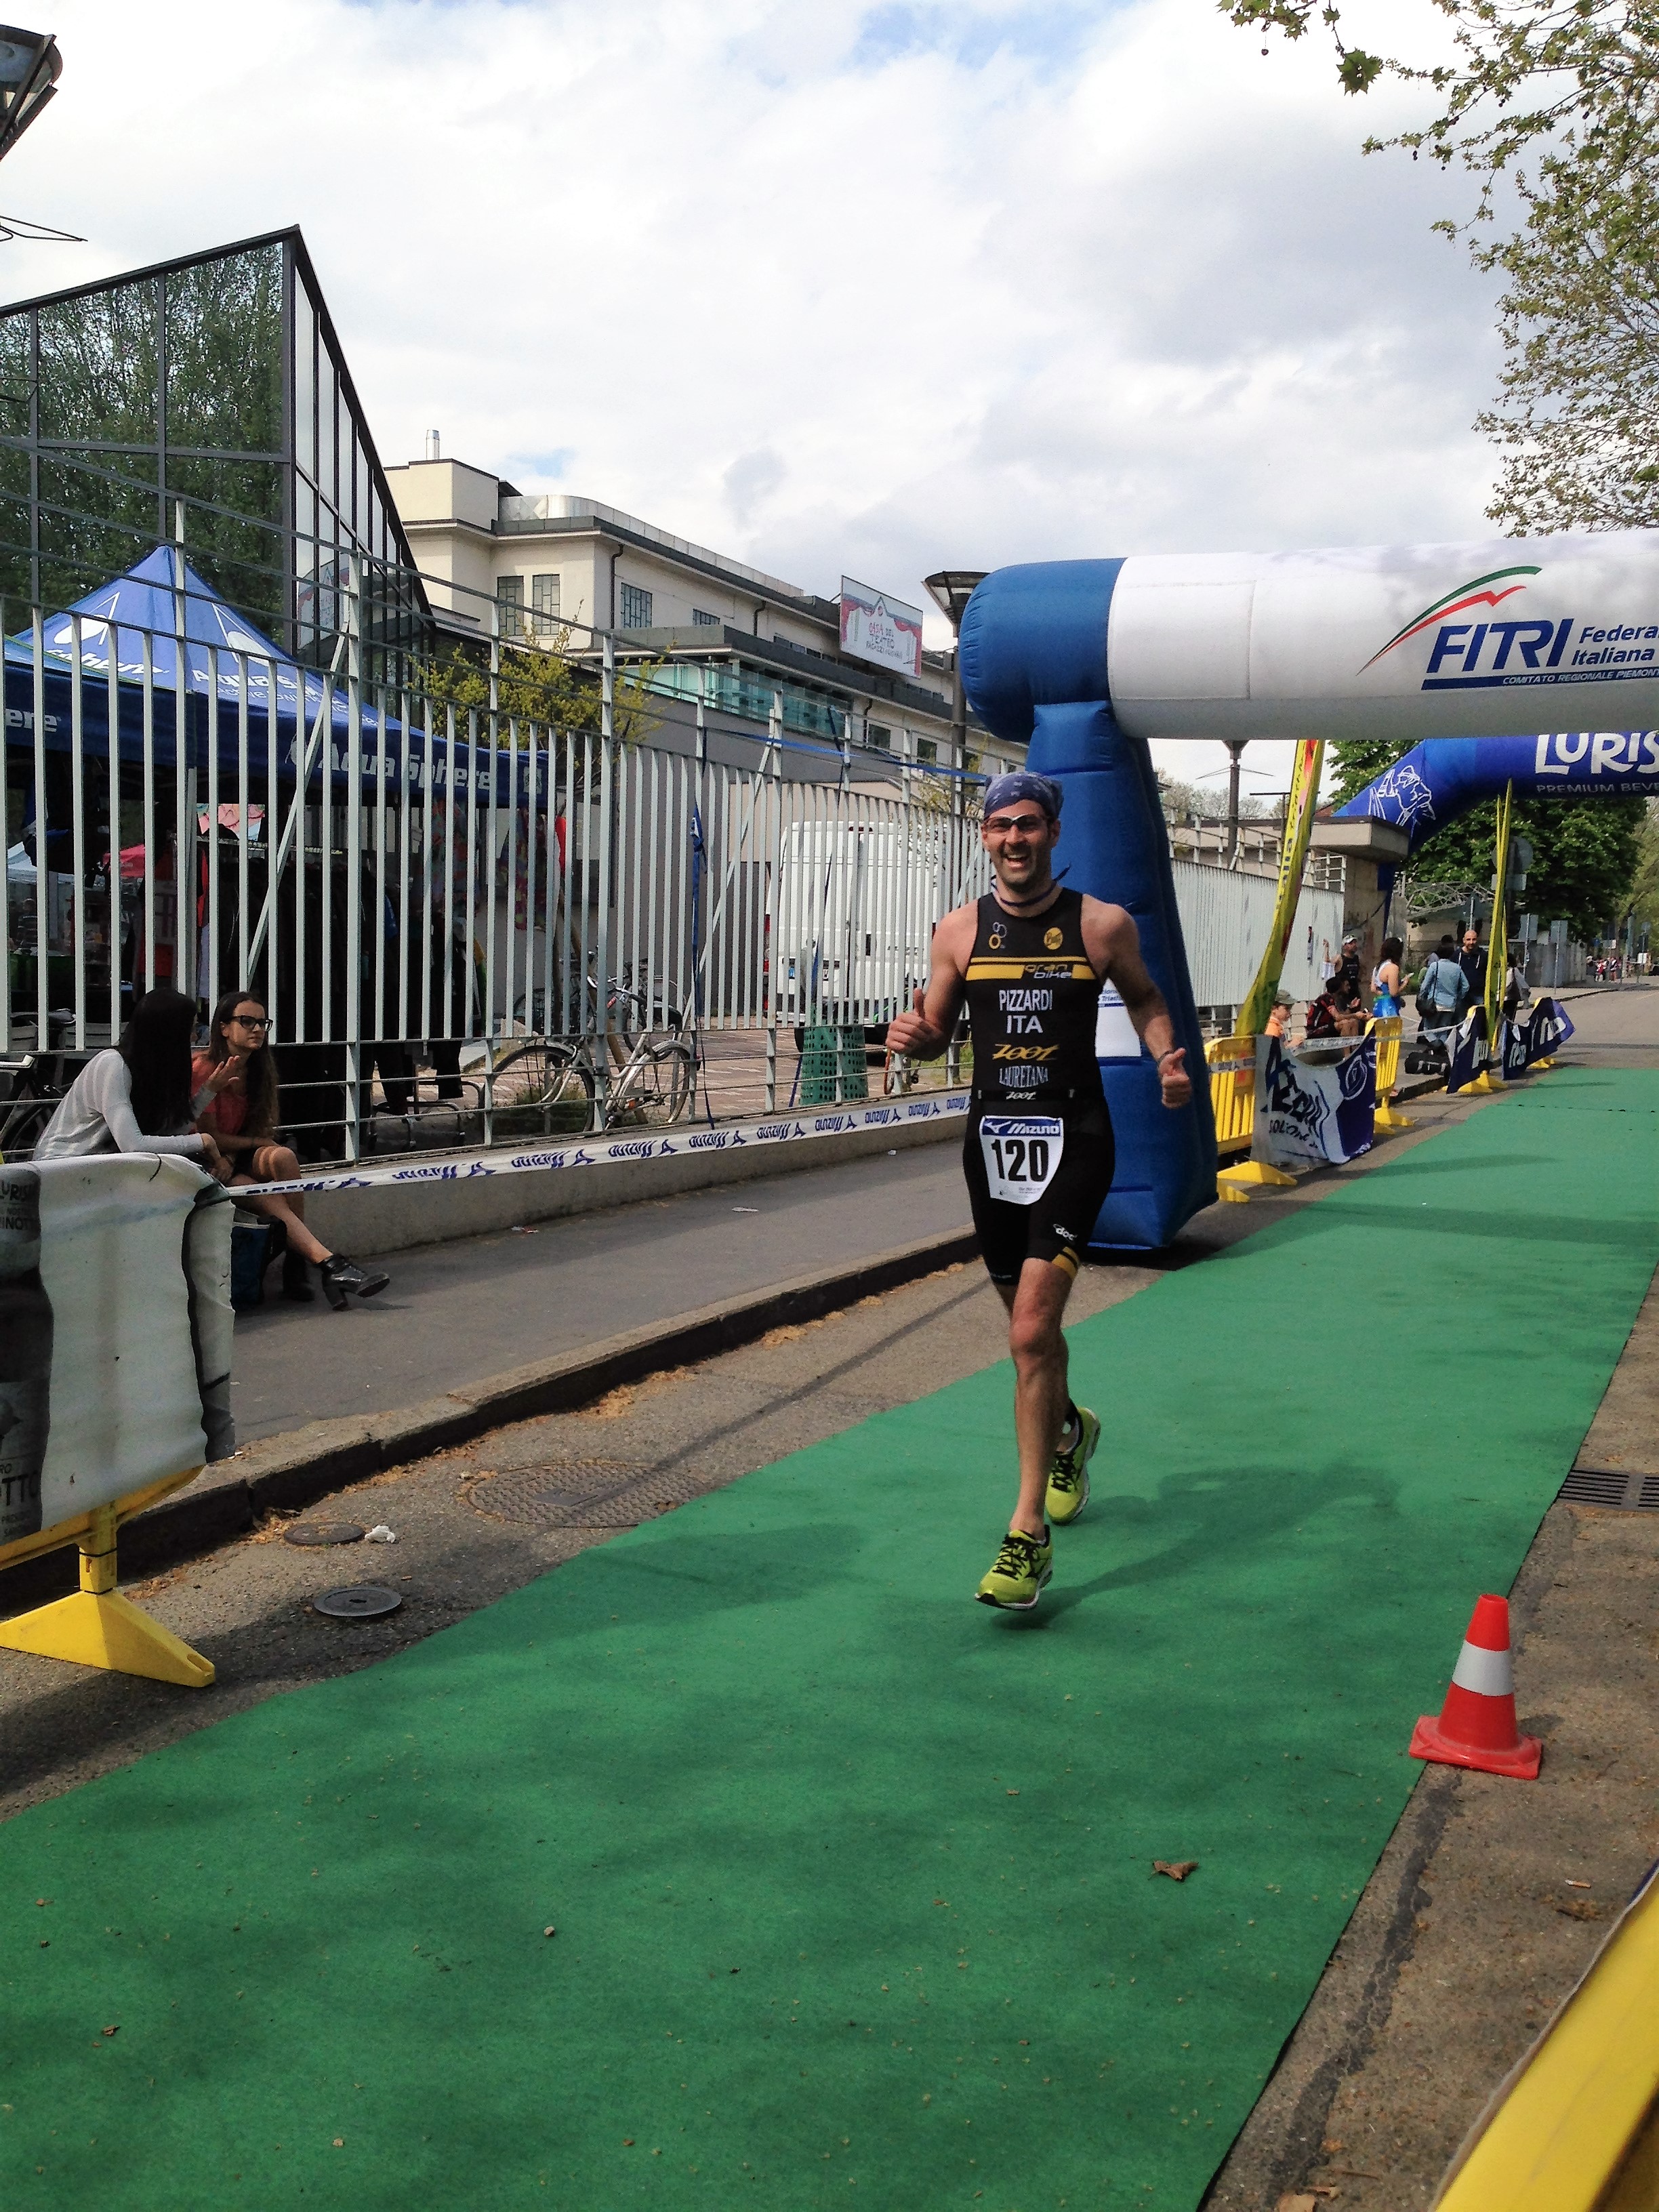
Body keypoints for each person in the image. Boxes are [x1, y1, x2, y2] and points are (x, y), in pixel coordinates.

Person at [886, 770, 1192, 1612]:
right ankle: (1071, 1432)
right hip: (991, 1147)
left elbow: (1147, 999)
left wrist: (1167, 1056)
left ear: (1053, 832)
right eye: (998, 827)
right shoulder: (958, 931)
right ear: (984, 838)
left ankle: (1027, 1535)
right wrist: (913, 1038)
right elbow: (937, 1031)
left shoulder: (1101, 924)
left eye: (1027, 825)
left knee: (1028, 1332)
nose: (1013, 839)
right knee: (1033, 1341)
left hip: (1076, 1140)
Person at [192, 989, 390, 1311]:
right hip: (204, 1158)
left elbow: (262, 1128)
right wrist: (245, 1148)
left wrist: (242, 1150)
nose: (257, 1029)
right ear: (223, 1028)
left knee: (283, 1157)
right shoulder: (205, 1068)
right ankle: (327, 1264)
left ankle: (297, 1265)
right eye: (246, 1021)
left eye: (262, 1022)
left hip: (233, 1154)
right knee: (254, 1189)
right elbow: (206, 1134)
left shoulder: (260, 1069)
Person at [35, 987, 229, 1174]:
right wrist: (201, 1141)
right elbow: (133, 1145)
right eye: (191, 1029)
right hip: (60, 1168)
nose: (195, 1038)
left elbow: (167, 1136)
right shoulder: (113, 1065)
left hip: (102, 1170)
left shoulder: (152, 1070)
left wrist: (208, 1091)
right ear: (170, 1034)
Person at [1371, 936, 1405, 1017]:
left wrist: (1383, 993)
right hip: (1389, 1009)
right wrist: (1404, 984)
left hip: (1378, 1006)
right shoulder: (1393, 968)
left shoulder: (1378, 967)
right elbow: (1394, 992)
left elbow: (1373, 989)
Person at [1459, 926, 1488, 1002]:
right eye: (1468, 940)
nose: (1471, 942)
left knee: (1480, 1013)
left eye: (1474, 939)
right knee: (1461, 1014)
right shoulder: (1457, 955)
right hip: (1461, 994)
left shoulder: (1483, 955)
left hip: (1478, 994)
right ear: (1464, 941)